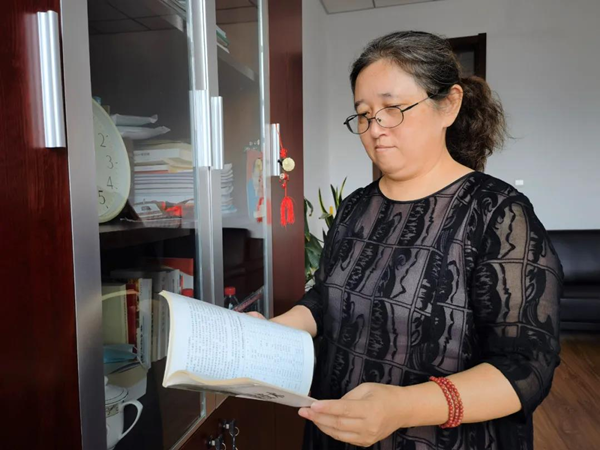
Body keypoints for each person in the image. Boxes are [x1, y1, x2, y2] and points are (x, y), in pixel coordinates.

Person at [249, 31, 563, 450]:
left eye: (392, 109)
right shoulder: (355, 207)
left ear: (448, 105)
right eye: (363, 115)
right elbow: (326, 297)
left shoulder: (497, 213)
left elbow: (526, 366)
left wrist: (402, 407)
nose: (375, 129)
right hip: (337, 432)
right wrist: (276, 330)